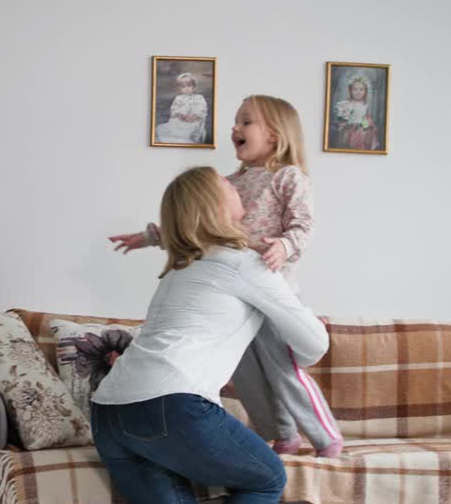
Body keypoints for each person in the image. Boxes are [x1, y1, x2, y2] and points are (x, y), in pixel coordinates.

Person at [20, 166, 329, 504]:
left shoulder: (180, 271)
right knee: (267, 477)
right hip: (172, 407)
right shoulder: (244, 264)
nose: (235, 183)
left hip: (112, 415)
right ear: (214, 203)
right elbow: (315, 344)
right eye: (227, 184)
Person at [112, 94, 344, 458]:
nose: (234, 128)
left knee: (283, 370)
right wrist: (150, 236)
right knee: (249, 375)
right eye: (236, 121)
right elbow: (198, 221)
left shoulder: (288, 177)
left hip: (273, 287)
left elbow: (303, 224)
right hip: (236, 299)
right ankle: (282, 434)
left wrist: (284, 246)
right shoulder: (230, 181)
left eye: (246, 122)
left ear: (274, 134)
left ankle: (326, 436)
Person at [330, 73, 381, 151]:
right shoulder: (347, 103)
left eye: (361, 89)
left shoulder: (365, 104)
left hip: (361, 127)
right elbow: (343, 118)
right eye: (355, 89)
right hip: (349, 127)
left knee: (365, 134)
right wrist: (344, 124)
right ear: (350, 90)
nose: (358, 92)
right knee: (353, 137)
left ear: (365, 91)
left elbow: (364, 117)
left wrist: (366, 126)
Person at [154, 72, 208, 143]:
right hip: (181, 119)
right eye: (183, 87)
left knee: (190, 127)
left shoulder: (199, 98)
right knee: (172, 124)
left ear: (194, 87)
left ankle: (184, 137)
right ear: (180, 89)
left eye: (189, 86)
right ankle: (176, 136)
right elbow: (174, 109)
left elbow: (202, 109)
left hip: (193, 120)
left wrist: (194, 116)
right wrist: (179, 114)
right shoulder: (178, 98)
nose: (186, 89)